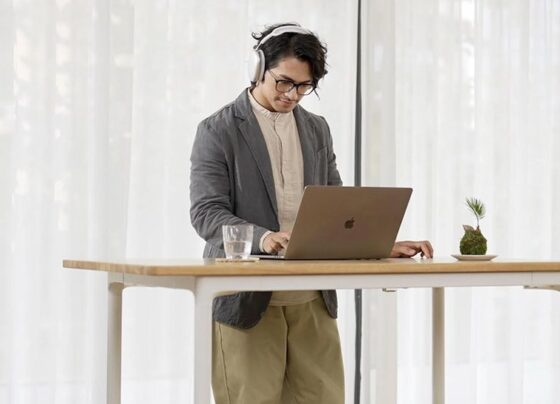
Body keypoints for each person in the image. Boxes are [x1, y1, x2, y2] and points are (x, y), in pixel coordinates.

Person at [190, 22, 433, 404]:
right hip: (247, 300)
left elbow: (337, 209)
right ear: (258, 69)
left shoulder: (317, 129)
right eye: (284, 82)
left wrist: (382, 244)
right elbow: (206, 213)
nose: (293, 95)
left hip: (313, 298)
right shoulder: (218, 130)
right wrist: (265, 238)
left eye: (304, 87)